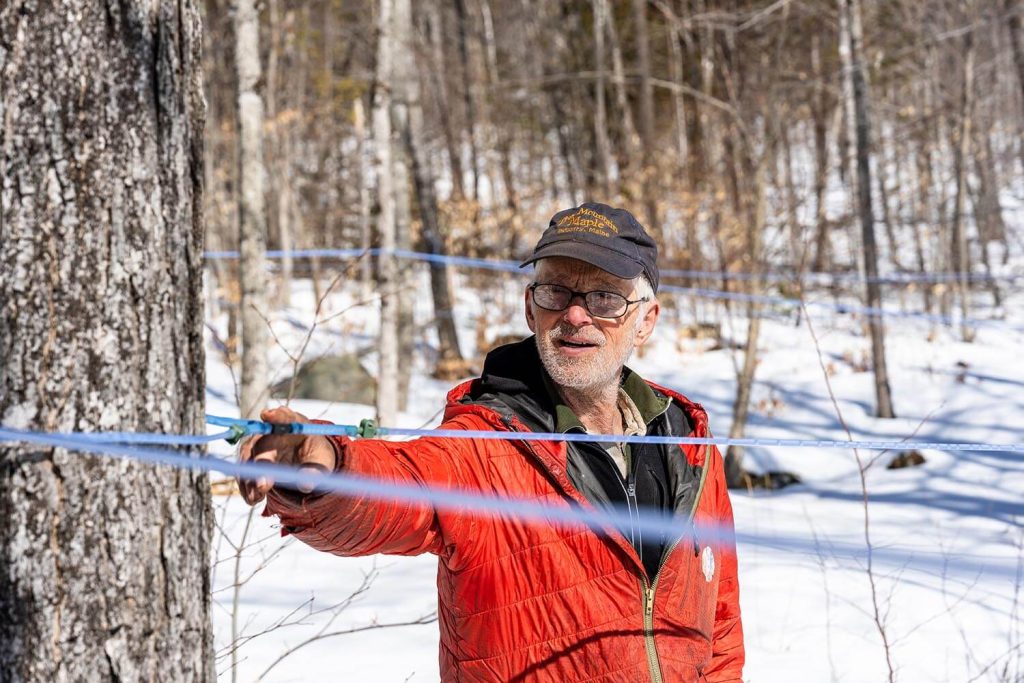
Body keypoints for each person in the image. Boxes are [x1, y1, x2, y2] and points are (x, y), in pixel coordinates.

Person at [240, 202, 744, 682]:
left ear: (646, 321)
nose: (574, 315)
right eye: (556, 292)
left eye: (604, 299)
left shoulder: (687, 445)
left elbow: (719, 626)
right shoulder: (485, 442)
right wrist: (327, 468)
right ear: (531, 308)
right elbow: (404, 486)